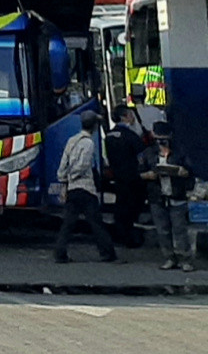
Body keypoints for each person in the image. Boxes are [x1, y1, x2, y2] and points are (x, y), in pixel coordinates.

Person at [53, 111, 120, 264]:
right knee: (96, 223)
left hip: (72, 189)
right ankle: (107, 253)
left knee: (68, 224)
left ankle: (60, 253)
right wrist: (74, 175)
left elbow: (63, 163)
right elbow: (83, 165)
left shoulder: (72, 140)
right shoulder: (88, 143)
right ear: (95, 126)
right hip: (86, 189)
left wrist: (64, 178)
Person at [143, 123, 193, 272]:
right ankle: (169, 258)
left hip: (177, 195)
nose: (161, 142)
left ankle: (185, 258)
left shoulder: (179, 152)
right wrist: (148, 175)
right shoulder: (149, 153)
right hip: (157, 196)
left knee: (179, 229)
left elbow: (190, 171)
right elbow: (139, 172)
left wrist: (184, 173)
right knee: (162, 230)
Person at [105, 105, 148, 247]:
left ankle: (120, 235)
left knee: (121, 205)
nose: (133, 117)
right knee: (131, 207)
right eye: (130, 114)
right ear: (125, 116)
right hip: (133, 177)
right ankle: (130, 237)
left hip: (118, 176)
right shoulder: (130, 136)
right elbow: (142, 155)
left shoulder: (109, 136)